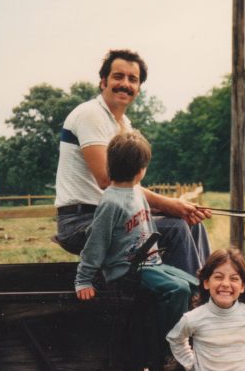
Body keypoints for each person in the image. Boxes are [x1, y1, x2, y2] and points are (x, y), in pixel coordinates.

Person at [55, 48, 211, 275]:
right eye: (118, 77)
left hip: (115, 215)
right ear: (103, 82)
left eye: (132, 79)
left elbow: (128, 189)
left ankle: (207, 295)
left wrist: (179, 209)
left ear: (138, 89)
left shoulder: (123, 124)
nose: (125, 84)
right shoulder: (91, 114)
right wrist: (169, 204)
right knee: (175, 229)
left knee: (190, 224)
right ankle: (190, 305)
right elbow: (108, 180)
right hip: (82, 221)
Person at [75, 130, 198, 359]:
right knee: (177, 290)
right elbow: (95, 243)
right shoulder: (111, 202)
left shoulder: (136, 192)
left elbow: (148, 224)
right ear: (141, 170)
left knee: (195, 284)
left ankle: (189, 338)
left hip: (151, 263)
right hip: (127, 271)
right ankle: (168, 351)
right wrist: (83, 280)